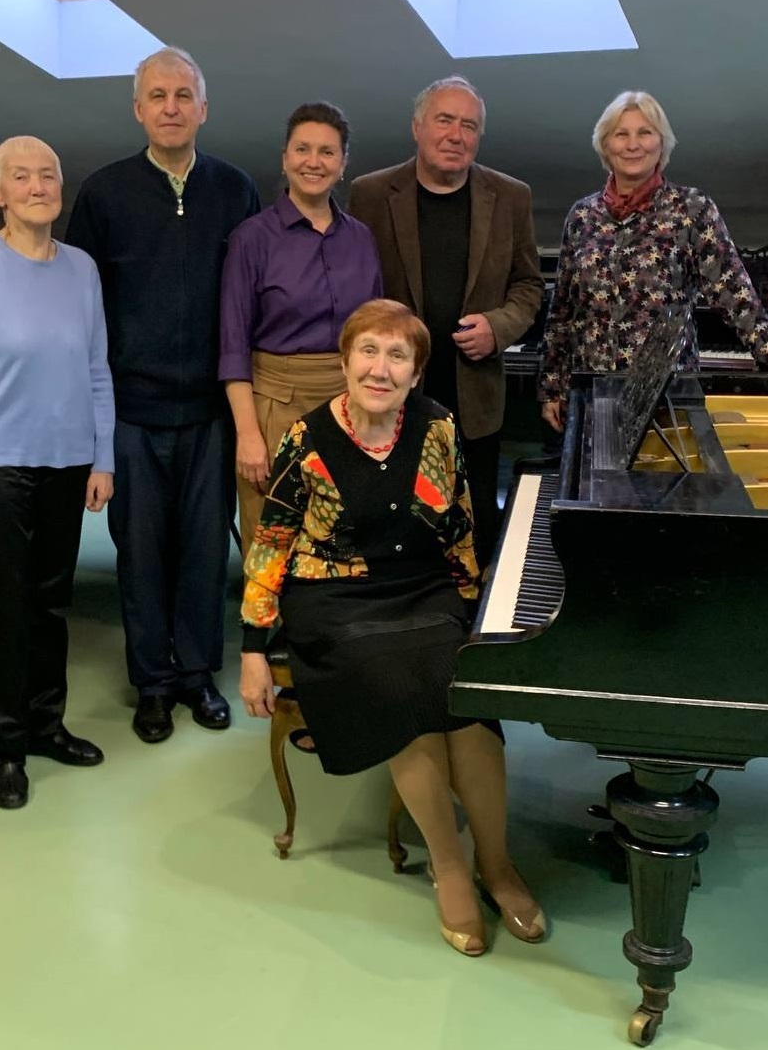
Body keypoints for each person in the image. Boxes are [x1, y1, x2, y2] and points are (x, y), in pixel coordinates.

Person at [239, 299, 545, 957]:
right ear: (345, 361)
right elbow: (271, 543)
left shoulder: (436, 427)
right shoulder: (306, 439)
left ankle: (496, 863)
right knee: (401, 691)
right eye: (368, 352)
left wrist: (474, 612)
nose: (380, 368)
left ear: (415, 373)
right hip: (334, 597)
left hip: (422, 588)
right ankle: (449, 866)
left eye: (397, 356)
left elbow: (460, 522)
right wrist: (253, 649)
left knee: (468, 698)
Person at [65, 47, 260, 745]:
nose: (171, 107)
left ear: (203, 108)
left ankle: (197, 674)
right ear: (138, 109)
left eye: (183, 95)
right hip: (130, 411)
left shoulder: (235, 190)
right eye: (158, 95)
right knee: (140, 553)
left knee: (205, 551)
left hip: (210, 411)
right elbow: (80, 307)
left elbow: (251, 298)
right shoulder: (104, 193)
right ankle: (151, 681)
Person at [0, 136, 115, 810]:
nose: (38, 186)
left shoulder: (82, 268)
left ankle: (45, 724)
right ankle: (5, 749)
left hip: (68, 460)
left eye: (48, 176)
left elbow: (96, 368)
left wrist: (103, 457)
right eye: (21, 176)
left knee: (51, 601)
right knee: (8, 607)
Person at [349, 76, 544, 567]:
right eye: (444, 120)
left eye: (469, 126)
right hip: (391, 394)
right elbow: (353, 289)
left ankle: (473, 605)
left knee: (475, 526)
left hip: (473, 396)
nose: (456, 135)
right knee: (394, 523)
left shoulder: (511, 196)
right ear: (417, 127)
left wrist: (498, 327)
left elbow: (528, 286)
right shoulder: (370, 194)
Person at [540, 90, 768, 430]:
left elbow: (737, 296)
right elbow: (562, 310)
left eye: (645, 132)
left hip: (667, 399)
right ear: (605, 145)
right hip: (593, 396)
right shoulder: (582, 216)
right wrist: (551, 386)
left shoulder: (692, 209)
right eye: (621, 134)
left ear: (662, 143)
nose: (633, 145)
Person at [219, 101, 382, 556]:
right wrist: (247, 434)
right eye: (303, 149)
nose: (314, 162)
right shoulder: (252, 238)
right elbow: (233, 346)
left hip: (350, 406)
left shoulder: (361, 239)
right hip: (275, 407)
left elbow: (376, 334)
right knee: (274, 546)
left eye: (327, 152)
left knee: (344, 543)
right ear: (285, 158)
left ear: (343, 164)